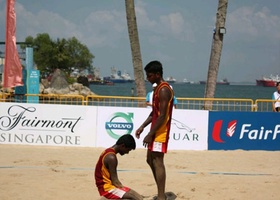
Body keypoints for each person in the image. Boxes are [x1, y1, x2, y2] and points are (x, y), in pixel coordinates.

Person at [135, 60, 174, 200]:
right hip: (155, 129)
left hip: (161, 132)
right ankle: (161, 192)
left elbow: (163, 115)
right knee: (149, 159)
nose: (148, 78)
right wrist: (142, 126)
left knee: (157, 161)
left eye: (150, 75)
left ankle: (161, 196)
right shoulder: (157, 89)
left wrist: (151, 134)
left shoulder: (163, 89)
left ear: (158, 74)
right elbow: (154, 113)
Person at [94, 134, 143, 200]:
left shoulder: (108, 151)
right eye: (128, 150)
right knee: (133, 197)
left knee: (138, 196)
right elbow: (115, 182)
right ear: (122, 146)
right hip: (106, 188)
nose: (127, 152)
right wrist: (124, 190)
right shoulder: (112, 157)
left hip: (107, 185)